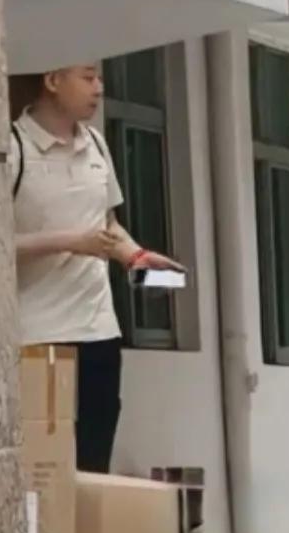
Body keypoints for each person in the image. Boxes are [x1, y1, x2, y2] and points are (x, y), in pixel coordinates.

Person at [10, 65, 179, 474]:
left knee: (94, 463)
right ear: (52, 81)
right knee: (45, 472)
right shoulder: (13, 147)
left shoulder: (97, 145)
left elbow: (107, 223)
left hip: (99, 331)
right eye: (88, 78)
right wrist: (70, 241)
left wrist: (135, 256)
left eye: (100, 79)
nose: (99, 89)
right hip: (40, 335)